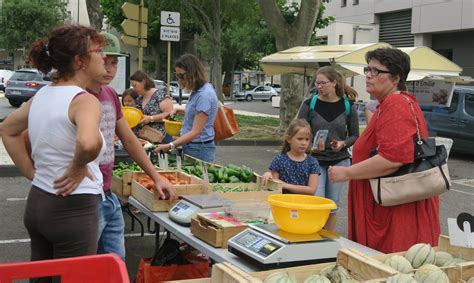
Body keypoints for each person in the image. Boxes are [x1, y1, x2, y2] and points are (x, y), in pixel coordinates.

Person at [1, 25, 107, 267]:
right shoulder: (85, 100)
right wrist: (78, 166)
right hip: (74, 207)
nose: (104, 56)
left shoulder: (43, 94)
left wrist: (30, 172)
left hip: (38, 202)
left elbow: (7, 129)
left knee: (41, 278)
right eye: (99, 50)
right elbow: (88, 142)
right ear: (80, 61)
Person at [328, 48, 440, 253]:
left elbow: (393, 159)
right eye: (367, 69)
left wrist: (347, 172)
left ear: (395, 78)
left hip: (393, 211)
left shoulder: (396, 104)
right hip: (387, 205)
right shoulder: (388, 104)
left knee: (387, 266)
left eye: (376, 71)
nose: (368, 75)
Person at [86, 32, 176, 260]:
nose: (109, 68)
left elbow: (129, 139)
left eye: (114, 63)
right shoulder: (75, 94)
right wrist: (34, 172)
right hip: (84, 199)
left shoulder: (109, 94)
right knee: (83, 267)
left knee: (115, 262)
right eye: (104, 61)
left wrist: (156, 177)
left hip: (107, 194)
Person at [296, 66, 359, 231]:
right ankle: (313, 235)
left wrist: (343, 144)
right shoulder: (310, 104)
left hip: (339, 160)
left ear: (334, 83)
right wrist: (310, 147)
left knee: (332, 204)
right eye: (317, 83)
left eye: (323, 83)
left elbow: (354, 136)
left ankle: (327, 239)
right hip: (315, 160)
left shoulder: (348, 106)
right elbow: (297, 131)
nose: (319, 86)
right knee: (317, 201)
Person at [154, 54, 218, 162]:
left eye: (181, 76)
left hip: (199, 149)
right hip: (194, 146)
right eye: (177, 76)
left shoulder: (204, 95)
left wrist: (170, 145)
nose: (179, 80)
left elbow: (196, 131)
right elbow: (199, 112)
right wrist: (179, 110)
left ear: (193, 73)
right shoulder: (199, 90)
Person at [262, 119, 320, 195]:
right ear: (289, 139)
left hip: (304, 205)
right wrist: (268, 175)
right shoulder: (279, 160)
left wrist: (285, 185)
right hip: (283, 204)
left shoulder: (312, 162)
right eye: (300, 139)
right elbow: (274, 187)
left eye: (307, 139)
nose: (304, 143)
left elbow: (311, 190)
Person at [130, 70, 174, 144]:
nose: (133, 89)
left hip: (160, 139)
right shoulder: (139, 98)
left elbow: (170, 114)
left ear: (143, 82)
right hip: (143, 140)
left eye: (135, 86)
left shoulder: (160, 95)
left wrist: (151, 118)